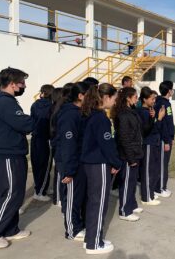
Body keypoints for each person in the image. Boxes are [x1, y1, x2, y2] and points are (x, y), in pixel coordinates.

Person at [0, 67, 34, 249]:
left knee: (15, 194)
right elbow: (25, 124)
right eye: (21, 83)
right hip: (7, 154)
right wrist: (40, 117)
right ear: (11, 84)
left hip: (10, 151)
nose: (24, 86)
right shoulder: (5, 102)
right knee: (11, 194)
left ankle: (11, 229)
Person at [80, 83, 122, 254]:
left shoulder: (88, 114)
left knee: (93, 201)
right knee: (99, 203)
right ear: (105, 97)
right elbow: (107, 145)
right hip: (99, 164)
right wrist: (116, 163)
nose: (115, 101)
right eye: (114, 98)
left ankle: (90, 238)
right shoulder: (100, 118)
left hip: (90, 164)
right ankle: (94, 243)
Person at [51, 82, 89, 240]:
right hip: (70, 163)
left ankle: (78, 224)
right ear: (80, 96)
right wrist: (68, 170)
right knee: (72, 198)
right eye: (90, 95)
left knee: (78, 197)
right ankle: (72, 230)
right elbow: (68, 145)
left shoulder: (79, 112)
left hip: (78, 161)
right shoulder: (70, 114)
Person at [111, 87, 144, 222]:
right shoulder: (123, 114)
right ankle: (125, 210)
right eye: (135, 97)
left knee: (132, 182)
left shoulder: (131, 111)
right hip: (128, 155)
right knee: (127, 183)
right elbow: (124, 138)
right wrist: (131, 158)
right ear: (128, 98)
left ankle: (132, 204)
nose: (137, 99)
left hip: (135, 152)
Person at [137, 87, 166, 206]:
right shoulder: (142, 112)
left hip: (154, 143)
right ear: (144, 99)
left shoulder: (149, 110)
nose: (154, 101)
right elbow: (149, 130)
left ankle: (150, 194)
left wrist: (154, 117)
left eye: (155, 98)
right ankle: (147, 197)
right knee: (148, 171)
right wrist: (158, 119)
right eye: (152, 99)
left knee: (153, 170)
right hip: (148, 143)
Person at [31, 84, 55, 201]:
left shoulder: (35, 104)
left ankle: (40, 188)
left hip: (35, 137)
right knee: (45, 166)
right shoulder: (51, 106)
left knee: (37, 164)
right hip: (45, 138)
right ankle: (40, 192)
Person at [154, 81, 175, 198]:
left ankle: (160, 186)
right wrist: (167, 140)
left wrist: (172, 137)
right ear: (168, 91)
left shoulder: (166, 103)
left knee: (164, 163)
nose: (173, 91)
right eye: (172, 89)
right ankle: (160, 188)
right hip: (163, 140)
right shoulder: (163, 104)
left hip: (167, 138)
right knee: (163, 164)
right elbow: (164, 124)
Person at [50, 87, 63, 206]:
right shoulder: (58, 110)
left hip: (57, 142)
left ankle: (59, 196)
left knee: (60, 170)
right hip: (58, 143)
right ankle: (58, 198)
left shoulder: (56, 109)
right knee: (59, 171)